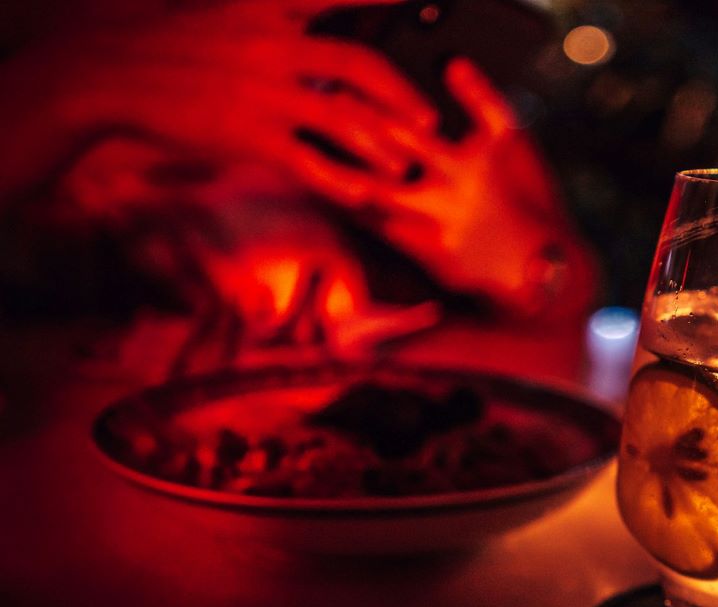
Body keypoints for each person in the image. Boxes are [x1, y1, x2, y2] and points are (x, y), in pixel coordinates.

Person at [0, 0, 597, 373]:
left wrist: (518, 259)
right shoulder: (49, 46)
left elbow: (569, 314)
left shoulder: (388, 68)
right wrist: (72, 89)